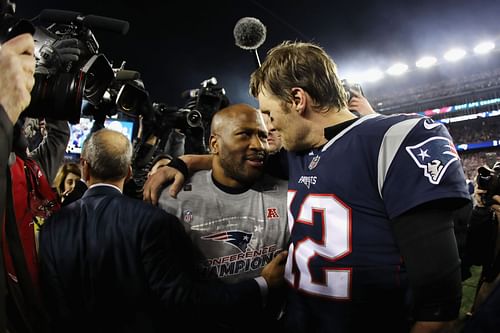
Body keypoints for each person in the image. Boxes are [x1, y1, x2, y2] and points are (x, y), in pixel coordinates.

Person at [144, 41, 471, 333]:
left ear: (298, 99)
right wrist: (184, 162)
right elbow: (234, 159)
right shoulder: (298, 152)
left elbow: (438, 305)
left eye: (270, 113)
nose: (268, 127)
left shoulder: (397, 138)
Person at [38, 129, 287, 333]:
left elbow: (51, 303)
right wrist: (261, 285)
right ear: (128, 172)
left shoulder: (52, 227)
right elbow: (183, 300)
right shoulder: (153, 221)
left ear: (84, 168)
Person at [158, 104, 289, 329]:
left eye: (263, 136)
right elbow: (173, 294)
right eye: (244, 134)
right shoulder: (172, 198)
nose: (259, 145)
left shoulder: (288, 193)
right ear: (214, 144)